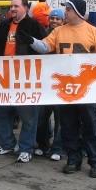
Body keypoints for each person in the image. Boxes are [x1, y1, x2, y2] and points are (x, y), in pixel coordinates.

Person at [24, 0, 96, 178]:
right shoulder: (59, 32)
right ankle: (73, 159)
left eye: (68, 10)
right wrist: (30, 40)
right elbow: (45, 46)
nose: (65, 13)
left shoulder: (93, 32)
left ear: (78, 12)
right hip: (66, 90)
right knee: (68, 126)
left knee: (91, 126)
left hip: (87, 91)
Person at [0, 0, 46, 163]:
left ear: (25, 8)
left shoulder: (34, 26)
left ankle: (26, 148)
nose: (12, 9)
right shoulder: (2, 26)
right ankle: (6, 144)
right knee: (0, 112)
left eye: (16, 6)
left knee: (28, 116)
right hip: (2, 78)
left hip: (26, 79)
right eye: (11, 6)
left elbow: (46, 48)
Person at [33, 8, 66, 161]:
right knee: (42, 117)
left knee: (61, 118)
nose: (54, 21)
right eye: (52, 18)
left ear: (63, 20)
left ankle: (58, 148)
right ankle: (43, 145)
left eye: (58, 19)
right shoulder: (42, 34)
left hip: (61, 83)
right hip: (45, 82)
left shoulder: (66, 34)